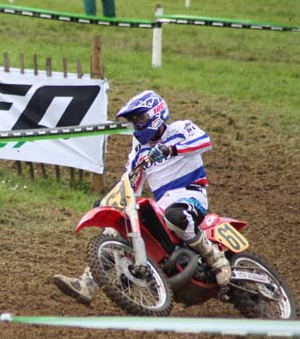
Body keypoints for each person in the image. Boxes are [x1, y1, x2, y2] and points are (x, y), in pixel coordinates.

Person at [54, 90, 231, 305]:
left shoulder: (181, 128)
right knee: (116, 226)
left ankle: (215, 258)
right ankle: (87, 284)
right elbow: (131, 182)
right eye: (133, 121)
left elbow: (205, 142)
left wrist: (170, 149)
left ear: (156, 114)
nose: (137, 125)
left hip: (191, 195)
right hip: (163, 203)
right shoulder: (140, 149)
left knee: (175, 215)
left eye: (141, 118)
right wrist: (109, 200)